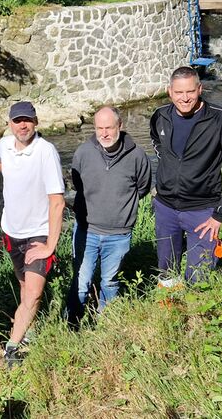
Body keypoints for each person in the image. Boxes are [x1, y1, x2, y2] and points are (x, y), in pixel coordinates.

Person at [150, 66, 222, 283]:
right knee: (167, 273)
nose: (185, 98)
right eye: (179, 92)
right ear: (170, 92)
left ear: (200, 89)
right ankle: (170, 313)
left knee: (199, 277)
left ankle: (196, 315)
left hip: (203, 212)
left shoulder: (219, 119)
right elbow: (157, 141)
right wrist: (167, 163)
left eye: (190, 92)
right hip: (166, 208)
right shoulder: (160, 116)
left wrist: (220, 214)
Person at [0, 101, 65, 368]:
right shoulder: (4, 145)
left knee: (34, 294)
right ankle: (29, 330)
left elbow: (57, 201)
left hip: (38, 235)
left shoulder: (46, 152)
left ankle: (12, 346)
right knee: (24, 285)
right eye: (17, 121)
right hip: (11, 231)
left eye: (27, 120)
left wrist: (50, 245)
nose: (22, 125)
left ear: (36, 122)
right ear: (10, 123)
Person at [67, 106, 151, 323]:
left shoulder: (137, 156)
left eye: (109, 127)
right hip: (87, 230)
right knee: (81, 281)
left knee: (110, 282)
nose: (104, 133)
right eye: (99, 128)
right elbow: (77, 184)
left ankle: (108, 324)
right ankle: (72, 325)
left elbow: (142, 188)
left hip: (119, 234)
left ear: (120, 126)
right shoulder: (83, 153)